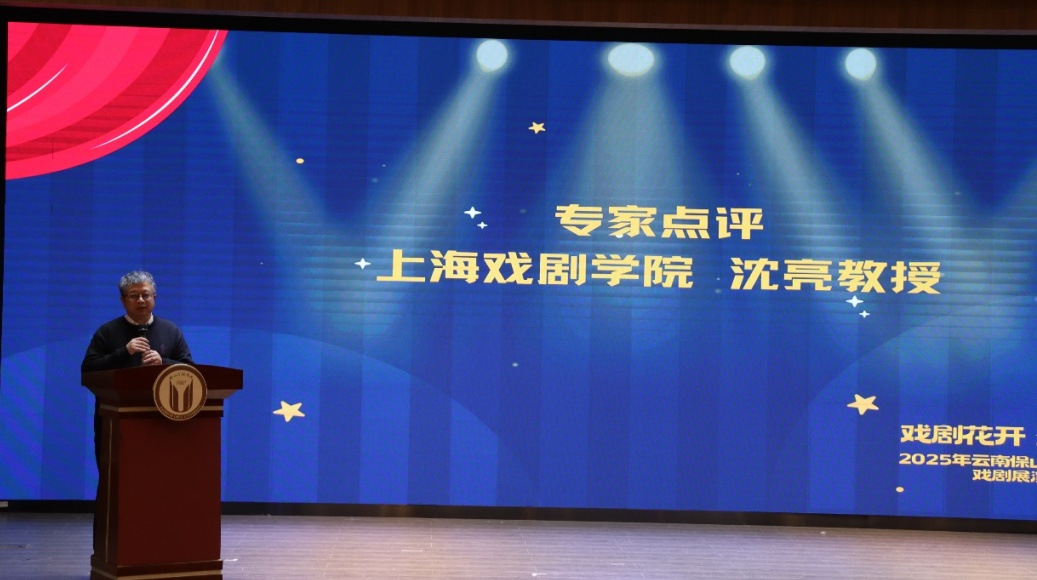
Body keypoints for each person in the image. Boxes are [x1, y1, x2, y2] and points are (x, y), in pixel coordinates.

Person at [81, 270, 194, 551]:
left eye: (146, 295)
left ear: (155, 297)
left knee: (160, 487)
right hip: (115, 425)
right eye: (134, 296)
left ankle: (157, 550)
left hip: (161, 422)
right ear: (123, 300)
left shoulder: (171, 331)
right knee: (116, 486)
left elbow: (191, 370)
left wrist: (165, 362)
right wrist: (125, 352)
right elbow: (88, 371)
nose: (141, 300)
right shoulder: (107, 332)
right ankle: (111, 552)